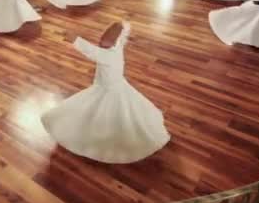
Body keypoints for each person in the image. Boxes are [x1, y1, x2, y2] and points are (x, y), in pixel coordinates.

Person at [41, 21, 170, 163]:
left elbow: (91, 51)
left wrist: (75, 39)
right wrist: (121, 25)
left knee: (106, 112)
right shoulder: (117, 47)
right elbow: (117, 33)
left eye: (104, 41)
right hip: (115, 86)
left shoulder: (107, 56)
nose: (101, 42)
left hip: (109, 90)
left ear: (113, 42)